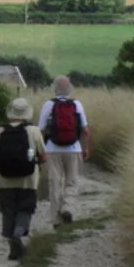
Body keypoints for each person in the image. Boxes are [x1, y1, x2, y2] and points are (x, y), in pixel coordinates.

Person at [0, 96, 47, 260]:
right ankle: (18, 234)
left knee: (8, 211)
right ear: (27, 113)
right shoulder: (34, 131)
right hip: (28, 180)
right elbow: (43, 157)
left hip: (3, 180)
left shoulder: (1, 131)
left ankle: (11, 242)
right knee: (25, 209)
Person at [38, 76, 91, 226]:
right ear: (69, 89)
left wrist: (40, 150)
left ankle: (55, 219)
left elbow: (40, 129)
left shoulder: (49, 104)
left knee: (55, 183)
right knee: (71, 182)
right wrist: (86, 148)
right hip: (73, 149)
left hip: (52, 149)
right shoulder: (77, 104)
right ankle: (67, 208)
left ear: (55, 88)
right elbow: (85, 130)